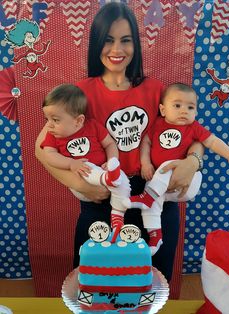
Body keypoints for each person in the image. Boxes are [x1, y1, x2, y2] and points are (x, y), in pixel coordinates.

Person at [35, 2, 204, 282]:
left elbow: (195, 135)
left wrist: (192, 162)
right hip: (102, 199)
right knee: (96, 282)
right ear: (96, 43)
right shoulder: (78, 94)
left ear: (136, 44)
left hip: (155, 197)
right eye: (108, 40)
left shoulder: (158, 90)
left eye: (125, 40)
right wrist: (76, 183)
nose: (117, 50)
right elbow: (41, 149)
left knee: (152, 283)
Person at [123, 83, 229, 255]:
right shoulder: (157, 124)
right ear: (163, 109)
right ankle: (155, 236)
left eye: (190, 107)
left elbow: (212, 141)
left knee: (166, 168)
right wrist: (145, 163)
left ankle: (148, 197)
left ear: (196, 112)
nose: (184, 111)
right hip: (162, 189)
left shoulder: (193, 128)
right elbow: (145, 143)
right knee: (151, 204)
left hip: (187, 183)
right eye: (177, 106)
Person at [40, 83, 130, 228]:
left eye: (55, 120)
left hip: (103, 173)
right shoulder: (53, 136)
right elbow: (48, 155)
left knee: (122, 180)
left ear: (78, 120)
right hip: (82, 179)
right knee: (87, 166)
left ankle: (118, 213)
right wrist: (71, 163)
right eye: (47, 119)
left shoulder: (92, 126)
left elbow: (110, 144)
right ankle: (107, 178)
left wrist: (112, 161)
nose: (49, 125)